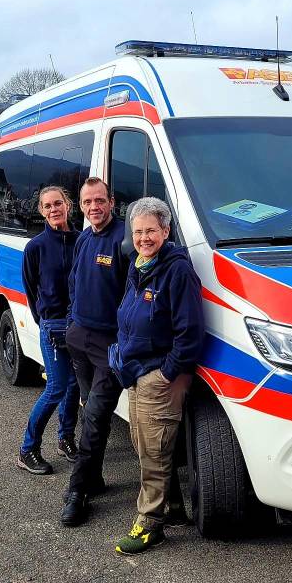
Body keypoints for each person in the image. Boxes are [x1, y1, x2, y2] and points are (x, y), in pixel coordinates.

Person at [109, 197, 205, 555]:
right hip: (136, 372)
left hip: (158, 376)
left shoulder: (176, 270)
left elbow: (190, 332)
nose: (144, 237)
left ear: (166, 231)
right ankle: (173, 509)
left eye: (151, 230)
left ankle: (150, 524)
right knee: (146, 446)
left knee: (153, 452)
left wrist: (166, 374)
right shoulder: (140, 264)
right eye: (138, 231)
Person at [60, 178, 129, 526]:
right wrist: (71, 323)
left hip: (110, 346)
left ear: (111, 202)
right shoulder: (85, 238)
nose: (93, 208)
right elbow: (73, 283)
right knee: (90, 410)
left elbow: (133, 294)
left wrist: (124, 340)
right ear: (81, 206)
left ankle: (77, 491)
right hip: (79, 340)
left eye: (99, 201)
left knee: (97, 415)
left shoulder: (124, 239)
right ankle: (95, 477)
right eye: (87, 203)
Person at [16, 185, 81, 475]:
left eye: (58, 203)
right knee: (55, 388)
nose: (54, 209)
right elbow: (31, 289)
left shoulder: (82, 241)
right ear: (42, 211)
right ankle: (27, 450)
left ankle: (66, 439)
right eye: (47, 206)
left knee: (74, 385)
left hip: (79, 325)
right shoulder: (36, 247)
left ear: (68, 205)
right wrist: (44, 319)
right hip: (53, 326)